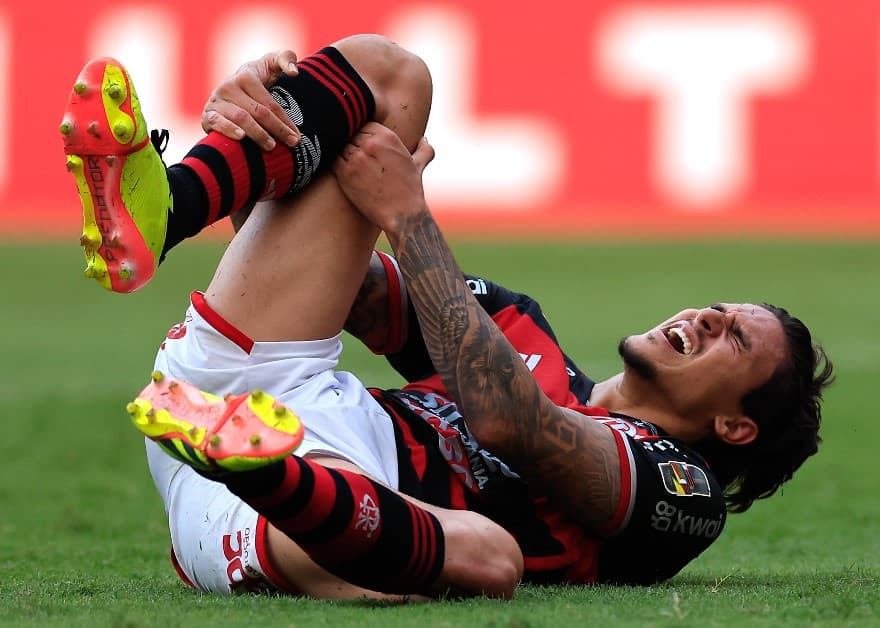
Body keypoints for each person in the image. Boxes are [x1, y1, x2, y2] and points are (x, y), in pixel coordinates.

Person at [60, 34, 833, 599]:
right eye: (719, 308)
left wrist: (411, 217)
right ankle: (166, 206)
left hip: (308, 520)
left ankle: (263, 469)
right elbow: (333, 273)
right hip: (260, 381)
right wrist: (281, 125)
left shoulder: (681, 485)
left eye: (733, 336)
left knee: (489, 558)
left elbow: (509, 424)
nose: (704, 317)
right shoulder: (519, 328)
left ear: (737, 426)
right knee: (393, 79)